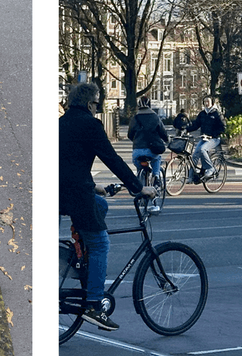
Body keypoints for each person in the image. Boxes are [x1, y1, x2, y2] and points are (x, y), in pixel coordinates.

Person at [60, 82, 152, 331]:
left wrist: (95, 187)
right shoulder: (90, 124)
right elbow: (111, 158)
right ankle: (93, 305)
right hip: (77, 196)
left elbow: (68, 163)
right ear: (90, 104)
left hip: (62, 194)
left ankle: (82, 249)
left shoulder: (60, 123)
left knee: (100, 204)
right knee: (101, 243)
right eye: (97, 104)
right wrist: (138, 187)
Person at [128, 97, 169, 211]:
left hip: (137, 151)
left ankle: (140, 180)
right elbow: (163, 132)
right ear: (150, 105)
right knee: (157, 158)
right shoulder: (155, 117)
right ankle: (156, 177)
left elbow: (129, 134)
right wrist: (167, 140)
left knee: (139, 165)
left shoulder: (135, 118)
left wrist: (137, 142)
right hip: (151, 150)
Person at [190, 97, 226, 181]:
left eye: (208, 101)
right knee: (195, 154)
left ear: (212, 103)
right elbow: (196, 124)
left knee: (202, 149)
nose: (206, 103)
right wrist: (186, 128)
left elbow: (223, 127)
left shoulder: (217, 113)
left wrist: (213, 135)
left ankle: (210, 168)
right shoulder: (202, 113)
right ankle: (190, 176)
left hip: (214, 139)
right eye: (205, 101)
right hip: (204, 138)